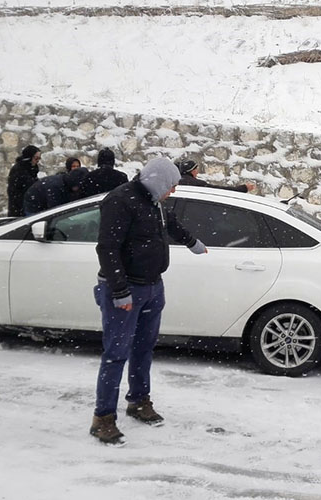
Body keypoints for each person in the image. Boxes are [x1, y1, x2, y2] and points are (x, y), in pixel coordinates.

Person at [89, 157, 207, 446]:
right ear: (158, 181)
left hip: (153, 286)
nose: (174, 191)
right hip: (126, 289)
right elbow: (107, 247)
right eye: (172, 186)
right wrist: (119, 291)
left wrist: (192, 242)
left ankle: (139, 401)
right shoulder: (120, 201)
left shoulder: (153, 200)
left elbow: (171, 224)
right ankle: (103, 418)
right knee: (116, 353)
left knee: (144, 349)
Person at [22, 167, 89, 216]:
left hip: (41, 199)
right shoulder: (55, 188)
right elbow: (55, 210)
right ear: (73, 184)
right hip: (34, 205)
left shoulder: (66, 182)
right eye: (78, 187)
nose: (79, 190)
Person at [176, 159, 254, 192]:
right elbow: (219, 191)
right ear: (192, 171)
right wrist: (243, 188)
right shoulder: (197, 184)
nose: (197, 172)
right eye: (196, 170)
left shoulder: (174, 183)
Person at [6, 145, 41, 217]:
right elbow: (19, 190)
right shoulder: (19, 170)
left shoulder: (32, 168)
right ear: (29, 157)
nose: (38, 160)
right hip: (20, 207)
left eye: (39, 158)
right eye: (36, 158)